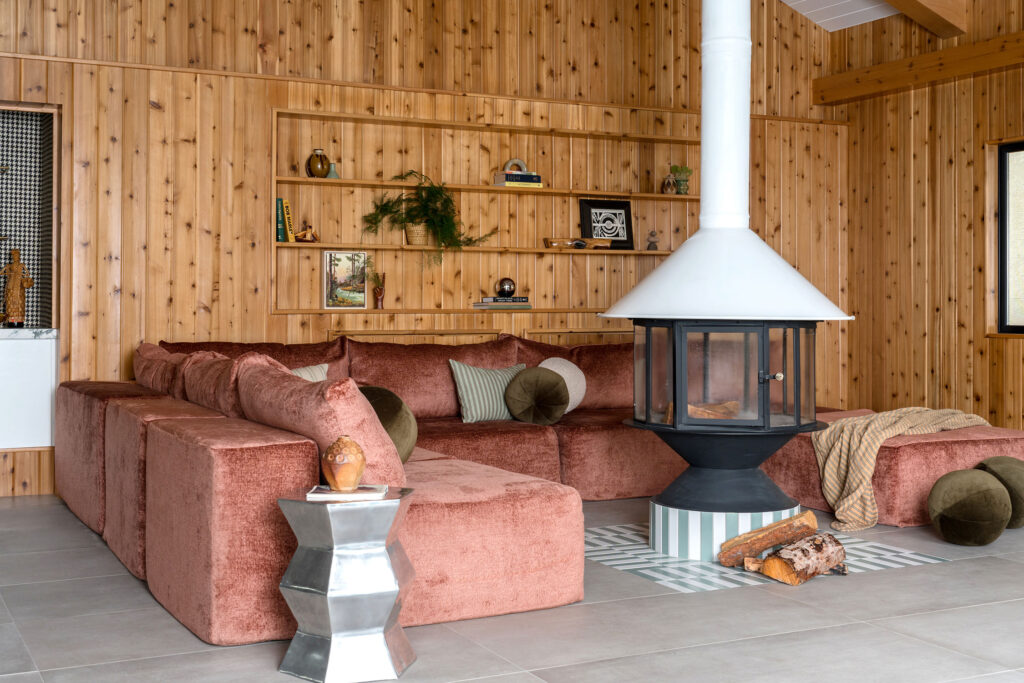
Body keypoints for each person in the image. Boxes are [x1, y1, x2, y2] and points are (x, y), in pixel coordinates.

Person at [1, 249, 33, 328]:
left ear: (19, 257)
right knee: (10, 303)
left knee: (20, 303)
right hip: (10, 286)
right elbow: (1, 272)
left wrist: (20, 273)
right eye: (14, 256)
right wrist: (9, 272)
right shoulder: (9, 265)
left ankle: (19, 321)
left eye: (17, 256)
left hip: (19, 286)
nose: (15, 257)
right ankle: (10, 321)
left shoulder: (21, 265)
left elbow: (27, 273)